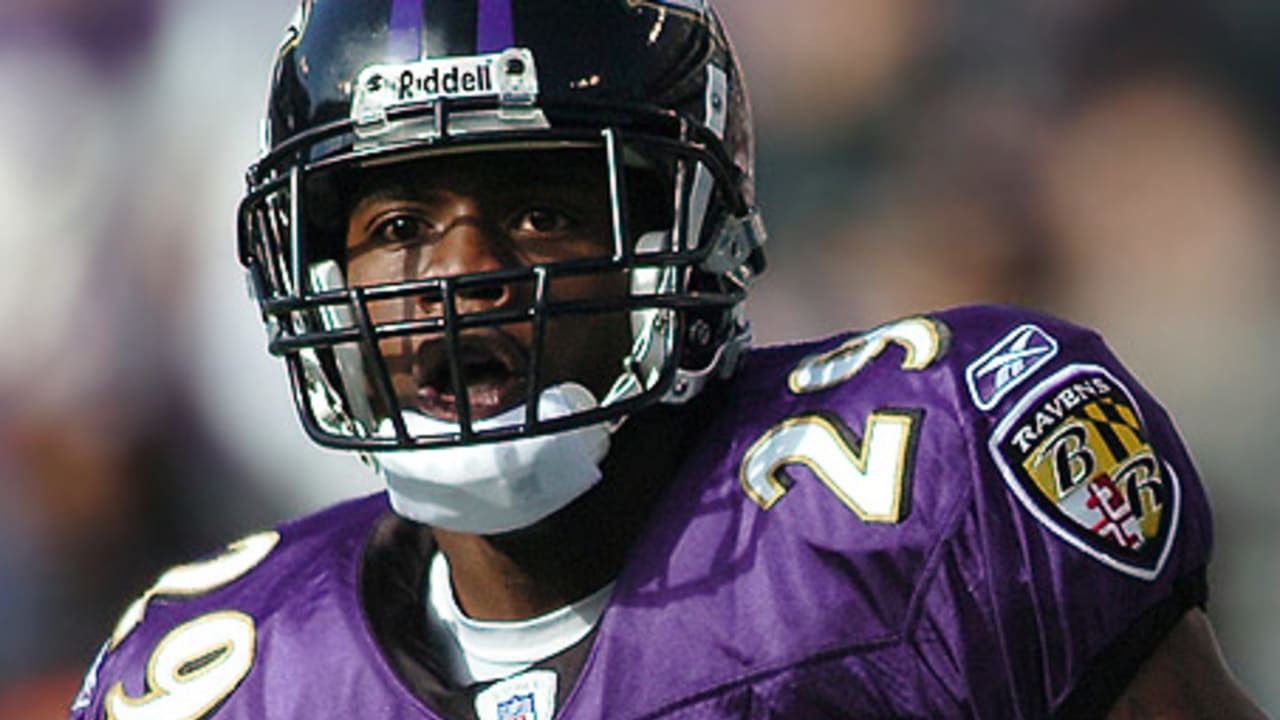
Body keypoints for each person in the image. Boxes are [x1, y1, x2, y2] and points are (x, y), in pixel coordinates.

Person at [70, 1, 1267, 718]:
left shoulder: (917, 485)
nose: (461, 271)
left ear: (686, 235)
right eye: (394, 228)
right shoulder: (219, 673)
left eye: (541, 210)